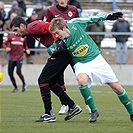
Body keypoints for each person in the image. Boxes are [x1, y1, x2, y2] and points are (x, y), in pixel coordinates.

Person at [49, 13, 133, 122]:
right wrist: (54, 50)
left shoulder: (74, 24)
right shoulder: (61, 41)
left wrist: (107, 16)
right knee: (81, 80)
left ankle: (131, 112)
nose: (56, 36)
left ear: (64, 27)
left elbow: (91, 19)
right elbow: (50, 49)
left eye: (57, 33)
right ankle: (94, 111)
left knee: (116, 87)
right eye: (54, 34)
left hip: (96, 58)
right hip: (81, 63)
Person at [10, 16, 82, 122]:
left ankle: (49, 114)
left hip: (61, 53)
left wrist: (58, 43)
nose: (16, 34)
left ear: (22, 25)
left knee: (42, 80)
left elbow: (49, 26)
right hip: (63, 53)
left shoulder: (31, 27)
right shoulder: (31, 29)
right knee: (51, 82)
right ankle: (72, 106)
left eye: (16, 30)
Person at [44, 0, 80, 115]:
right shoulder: (50, 11)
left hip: (73, 48)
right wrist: (54, 44)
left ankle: (88, 104)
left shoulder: (73, 9)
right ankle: (65, 104)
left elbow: (78, 26)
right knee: (59, 78)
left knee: (80, 75)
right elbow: (46, 28)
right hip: (60, 50)